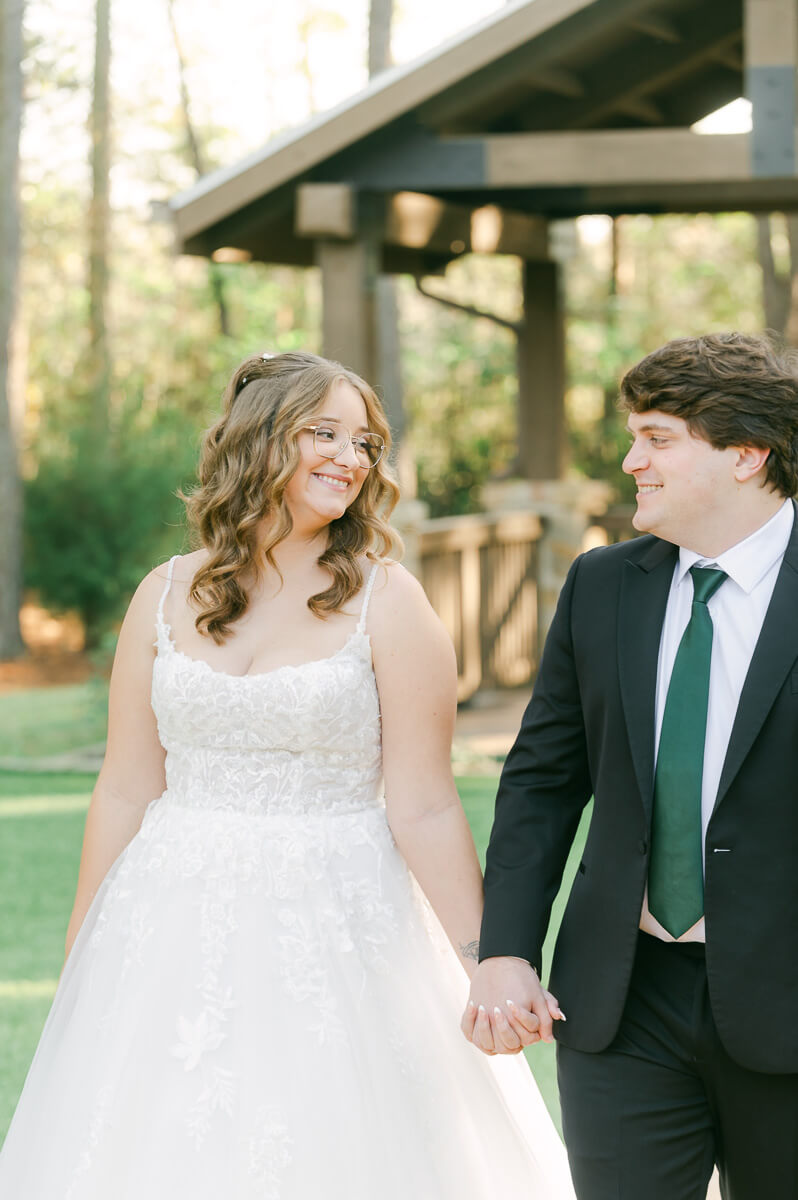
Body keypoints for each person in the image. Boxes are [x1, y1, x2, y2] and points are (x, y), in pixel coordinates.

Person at [0, 350, 574, 1199]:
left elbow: (422, 803)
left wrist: (483, 960)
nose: (351, 458)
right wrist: (85, 951)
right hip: (168, 916)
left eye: (366, 443)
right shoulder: (163, 594)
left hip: (341, 914)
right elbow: (126, 786)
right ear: (258, 441)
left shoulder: (389, 599)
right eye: (325, 433)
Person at [462, 331, 798, 1200]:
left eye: (657, 438)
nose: (630, 460)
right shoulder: (603, 585)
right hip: (621, 1004)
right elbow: (542, 779)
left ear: (747, 455)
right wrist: (505, 951)